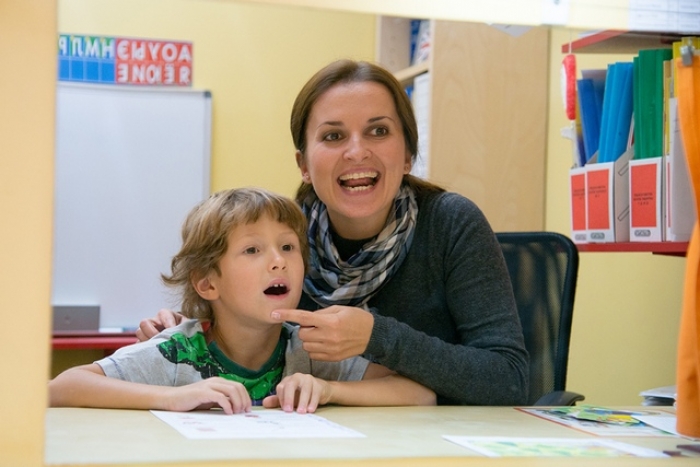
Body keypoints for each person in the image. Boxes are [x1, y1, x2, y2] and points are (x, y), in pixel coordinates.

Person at [139, 59, 529, 406]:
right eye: (333, 136)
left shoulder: (451, 222)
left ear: (408, 154)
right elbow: (248, 337)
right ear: (303, 164)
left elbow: (509, 380)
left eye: (378, 131)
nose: (357, 152)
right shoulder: (284, 238)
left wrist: (378, 337)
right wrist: (192, 327)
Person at [49, 187, 436, 414]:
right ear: (207, 284)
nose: (278, 260)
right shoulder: (178, 351)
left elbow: (419, 392)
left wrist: (332, 390)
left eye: (288, 246)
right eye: (252, 250)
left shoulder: (310, 347)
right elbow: (61, 387)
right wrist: (172, 397)